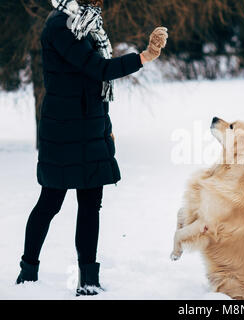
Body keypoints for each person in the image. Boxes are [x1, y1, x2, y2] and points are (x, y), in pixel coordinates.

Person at [15, 0, 168, 296]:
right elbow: (97, 68)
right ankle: (28, 272)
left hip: (89, 123)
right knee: (51, 201)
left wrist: (106, 128)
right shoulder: (60, 25)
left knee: (90, 204)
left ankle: (88, 280)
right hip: (63, 130)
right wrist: (145, 56)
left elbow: (93, 82)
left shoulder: (88, 23)